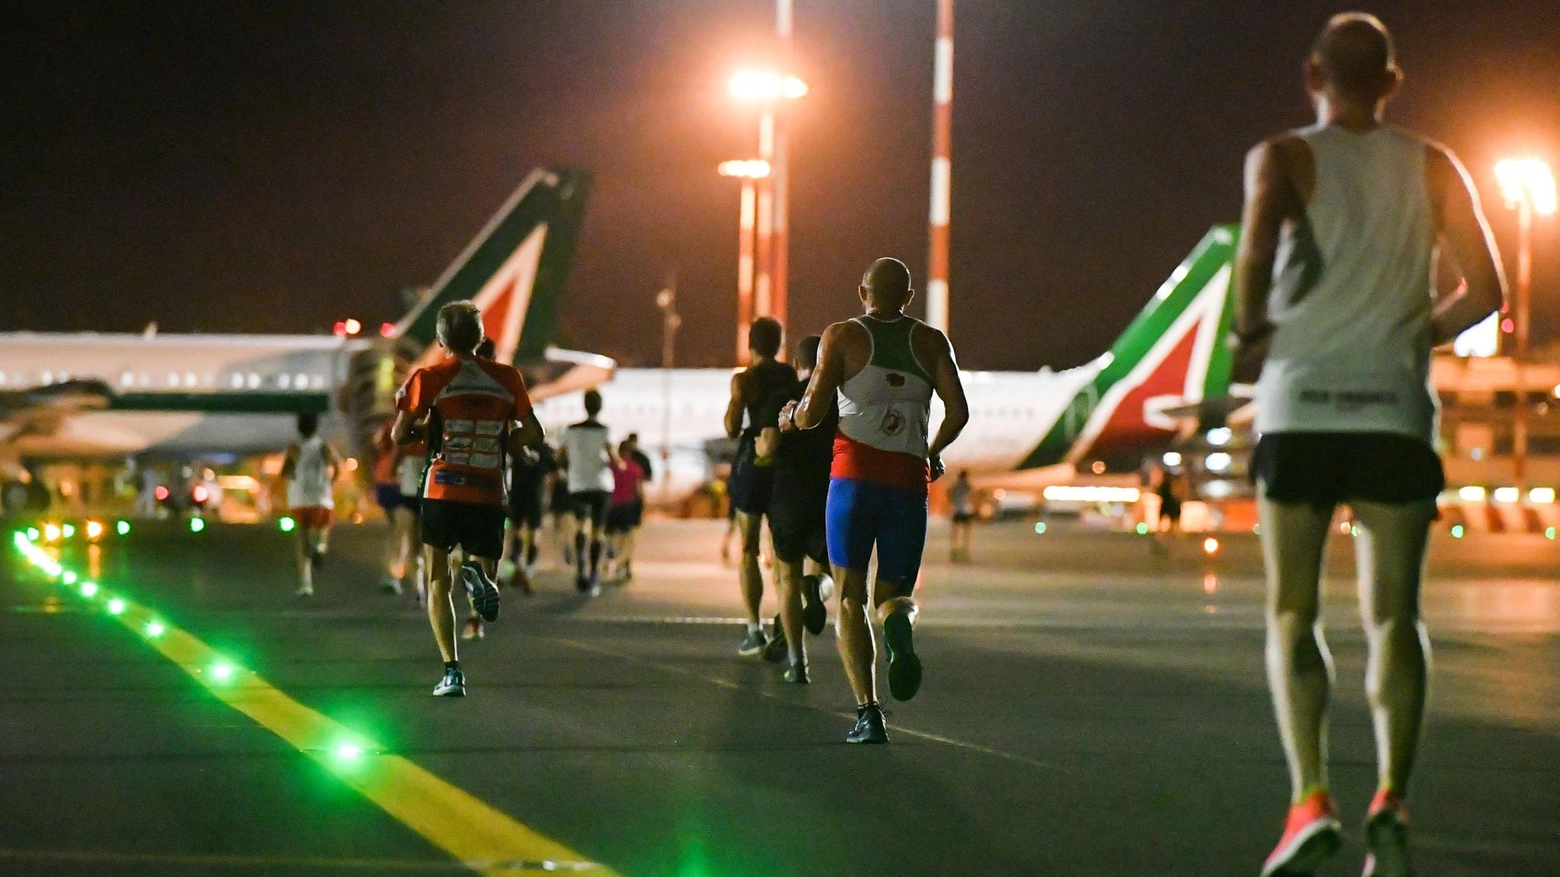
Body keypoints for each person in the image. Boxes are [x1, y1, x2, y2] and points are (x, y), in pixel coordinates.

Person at [1234, 14, 1505, 876]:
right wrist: (1408, 335)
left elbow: (1251, 263)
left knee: (1293, 611)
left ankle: (1310, 796)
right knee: (1394, 616)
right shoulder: (1433, 164)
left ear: (1312, 71)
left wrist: (1255, 335)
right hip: (1391, 412)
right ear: (1392, 82)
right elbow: (1486, 290)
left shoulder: (1279, 156)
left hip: (1301, 407)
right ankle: (1392, 792)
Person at [784, 258, 969, 743]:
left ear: (862, 290)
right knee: (895, 598)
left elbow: (813, 413)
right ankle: (898, 629)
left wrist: (791, 417)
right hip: (907, 485)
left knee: (849, 597)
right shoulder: (931, 342)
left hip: (852, 483)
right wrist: (930, 452)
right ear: (908, 297)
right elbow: (959, 412)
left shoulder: (841, 336)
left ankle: (869, 714)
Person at [391, 301, 542, 697]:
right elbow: (534, 433)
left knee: (437, 575)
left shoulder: (430, 377)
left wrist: (428, 433)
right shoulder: (507, 378)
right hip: (489, 488)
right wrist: (500, 440)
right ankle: (477, 575)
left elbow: (399, 435)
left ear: (441, 339)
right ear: (480, 337)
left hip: (443, 486)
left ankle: (452, 671)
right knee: (485, 568)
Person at [764, 334, 837, 683]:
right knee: (829, 572)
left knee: (787, 580)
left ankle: (798, 663)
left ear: (797, 365)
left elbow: (766, 447)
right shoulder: (840, 401)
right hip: (829, 496)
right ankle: (818, 589)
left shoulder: (781, 398)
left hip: (789, 497)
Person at [725, 317, 798, 656]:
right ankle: (785, 622)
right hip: (785, 464)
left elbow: (731, 426)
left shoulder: (745, 379)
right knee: (784, 554)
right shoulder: (791, 377)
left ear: (751, 344)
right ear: (779, 345)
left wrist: (736, 400)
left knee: (749, 549)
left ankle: (754, 627)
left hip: (753, 464)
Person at [558, 389, 616, 595]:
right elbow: (614, 458)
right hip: (601, 485)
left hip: (578, 484)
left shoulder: (571, 430)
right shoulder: (605, 430)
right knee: (598, 532)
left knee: (581, 526)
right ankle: (593, 575)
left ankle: (581, 569)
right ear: (600, 407)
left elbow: (560, 456)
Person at [282, 411, 342, 597]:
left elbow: (285, 472)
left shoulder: (294, 448)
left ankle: (305, 584)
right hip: (321, 498)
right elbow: (338, 466)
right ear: (316, 427)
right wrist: (330, 483)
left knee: (301, 539)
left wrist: (294, 476)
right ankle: (320, 547)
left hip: (299, 499)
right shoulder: (324, 447)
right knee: (323, 529)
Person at [501, 441, 553, 593]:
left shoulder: (514, 446)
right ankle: (527, 571)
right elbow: (552, 473)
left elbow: (506, 468)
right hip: (536, 496)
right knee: (534, 532)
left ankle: (511, 570)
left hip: (516, 494)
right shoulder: (544, 449)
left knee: (514, 532)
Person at [604, 437, 647, 581]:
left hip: (611, 505)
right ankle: (623, 565)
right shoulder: (635, 468)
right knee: (628, 538)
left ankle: (611, 555)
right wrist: (642, 507)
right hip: (628, 506)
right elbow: (638, 490)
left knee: (611, 535)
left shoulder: (610, 466)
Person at [948, 470, 975, 562]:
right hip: (966, 510)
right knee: (966, 529)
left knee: (955, 528)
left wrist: (953, 503)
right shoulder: (967, 486)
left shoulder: (955, 487)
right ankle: (965, 546)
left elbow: (950, 495)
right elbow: (971, 496)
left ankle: (954, 545)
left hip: (957, 510)